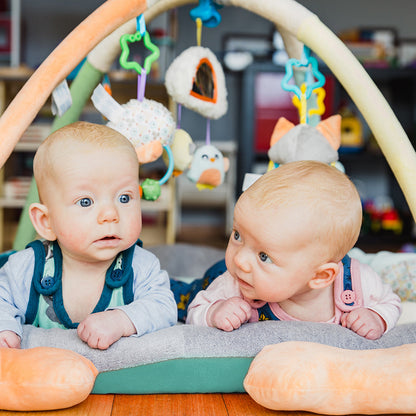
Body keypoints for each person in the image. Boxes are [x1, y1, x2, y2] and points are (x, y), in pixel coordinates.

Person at [0, 121, 177, 350]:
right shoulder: (26, 268)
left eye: (124, 198)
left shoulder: (141, 266)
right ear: (46, 222)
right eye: (86, 202)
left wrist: (121, 320)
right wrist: (5, 327)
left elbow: (165, 307)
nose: (110, 215)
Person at [185, 160, 401, 340]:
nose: (240, 260)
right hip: (216, 274)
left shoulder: (357, 282)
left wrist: (376, 316)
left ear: (321, 275)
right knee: (185, 295)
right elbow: (195, 311)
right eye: (237, 235)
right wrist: (213, 312)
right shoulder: (235, 283)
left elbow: (391, 302)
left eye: (264, 256)